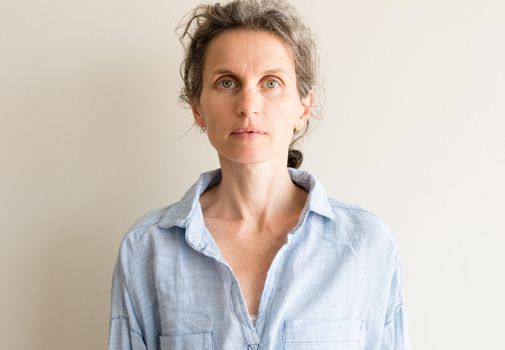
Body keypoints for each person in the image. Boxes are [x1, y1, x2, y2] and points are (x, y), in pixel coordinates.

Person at [108, 0, 411, 349]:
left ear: (304, 106)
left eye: (270, 83)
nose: (248, 105)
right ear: (197, 108)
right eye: (226, 83)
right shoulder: (147, 249)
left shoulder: (367, 246)